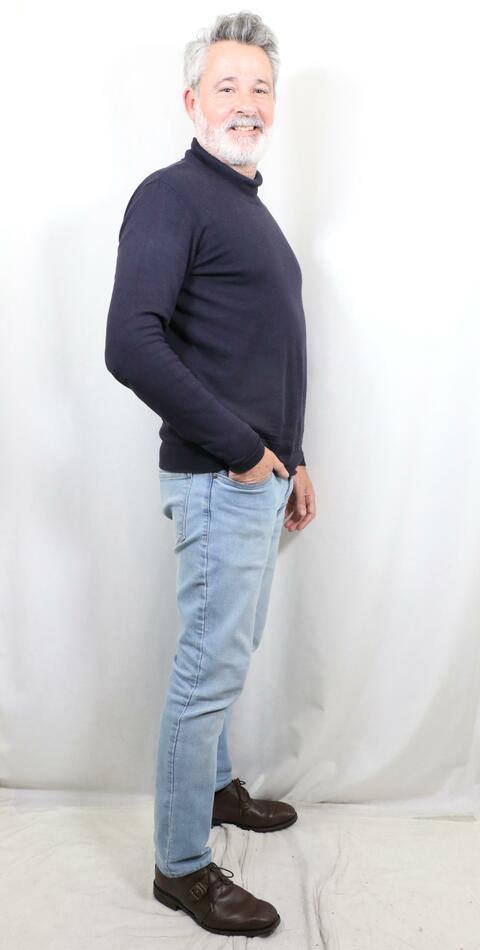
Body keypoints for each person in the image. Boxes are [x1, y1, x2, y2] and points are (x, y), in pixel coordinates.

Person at [104, 10, 316, 939]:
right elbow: (130, 344)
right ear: (192, 101)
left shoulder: (245, 205)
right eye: (227, 86)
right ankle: (181, 866)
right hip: (218, 479)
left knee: (228, 653)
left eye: (261, 87)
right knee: (207, 666)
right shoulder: (171, 196)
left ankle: (216, 788)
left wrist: (293, 459)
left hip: (255, 481)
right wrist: (242, 451)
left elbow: (261, 351)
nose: (247, 102)